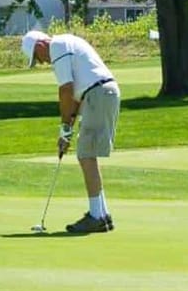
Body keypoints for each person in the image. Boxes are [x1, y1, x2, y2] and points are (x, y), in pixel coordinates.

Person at [22, 29, 120, 233]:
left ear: (40, 46)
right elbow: (74, 98)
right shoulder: (67, 43)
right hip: (100, 93)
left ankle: (96, 216)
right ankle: (102, 214)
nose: (41, 62)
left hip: (98, 93)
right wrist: (65, 132)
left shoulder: (57, 47)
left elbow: (66, 90)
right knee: (88, 154)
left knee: (85, 155)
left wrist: (65, 127)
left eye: (37, 58)